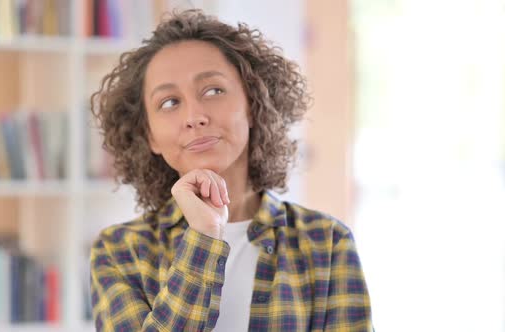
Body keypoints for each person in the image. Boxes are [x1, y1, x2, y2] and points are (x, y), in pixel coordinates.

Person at [89, 9, 373, 332]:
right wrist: (204, 236)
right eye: (169, 102)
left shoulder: (328, 244)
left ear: (253, 105)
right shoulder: (118, 251)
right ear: (149, 135)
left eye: (213, 91)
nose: (193, 116)